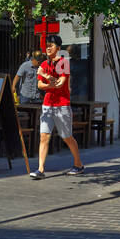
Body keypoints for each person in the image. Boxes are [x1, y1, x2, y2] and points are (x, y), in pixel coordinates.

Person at [30, 34, 84, 179]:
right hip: (47, 105)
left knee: (67, 137)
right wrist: (48, 83)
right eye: (47, 45)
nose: (48, 47)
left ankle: (78, 164)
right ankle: (40, 169)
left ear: (58, 48)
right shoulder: (44, 65)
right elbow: (40, 85)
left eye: (51, 45)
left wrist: (46, 77)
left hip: (62, 105)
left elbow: (61, 83)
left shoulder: (63, 63)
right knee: (43, 136)